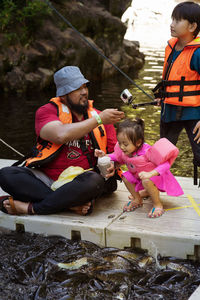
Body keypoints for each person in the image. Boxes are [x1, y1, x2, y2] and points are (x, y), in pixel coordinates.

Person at [0, 66, 124, 216]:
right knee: (7, 174)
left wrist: (112, 163)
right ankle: (70, 205)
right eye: (77, 89)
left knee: (94, 180)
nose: (84, 92)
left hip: (82, 181)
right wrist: (98, 120)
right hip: (47, 179)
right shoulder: (46, 112)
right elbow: (60, 135)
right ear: (63, 95)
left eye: (84, 86)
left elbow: (117, 155)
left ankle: (30, 208)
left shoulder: (103, 117)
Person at [95, 118, 184, 218]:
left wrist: (151, 174)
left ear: (138, 142)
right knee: (125, 176)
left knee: (146, 181)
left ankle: (157, 204)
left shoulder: (148, 151)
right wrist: (105, 156)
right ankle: (137, 199)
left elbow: (166, 164)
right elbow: (117, 156)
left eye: (125, 144)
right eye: (119, 143)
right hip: (139, 177)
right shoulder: (125, 150)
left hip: (155, 178)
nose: (122, 147)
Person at [153, 1, 200, 184]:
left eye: (178, 20)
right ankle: (156, 186)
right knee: (162, 153)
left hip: (194, 112)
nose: (172, 23)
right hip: (170, 109)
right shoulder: (172, 47)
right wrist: (161, 96)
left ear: (192, 26)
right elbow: (170, 78)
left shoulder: (197, 53)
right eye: (172, 19)